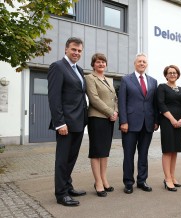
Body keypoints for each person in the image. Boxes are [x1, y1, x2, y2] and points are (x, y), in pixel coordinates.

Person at [48, 37, 88, 206]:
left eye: (79, 51)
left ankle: (68, 186)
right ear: (66, 49)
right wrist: (60, 123)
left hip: (79, 121)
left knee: (71, 158)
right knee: (62, 159)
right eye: (73, 49)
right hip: (66, 123)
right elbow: (54, 97)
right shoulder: (57, 67)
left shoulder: (78, 69)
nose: (76, 53)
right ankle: (61, 193)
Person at [118, 53, 159, 194]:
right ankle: (128, 182)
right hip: (130, 124)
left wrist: (155, 121)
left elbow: (155, 104)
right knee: (129, 154)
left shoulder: (153, 81)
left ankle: (142, 180)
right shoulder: (126, 80)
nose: (142, 63)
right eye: (139, 61)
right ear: (135, 64)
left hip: (147, 124)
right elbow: (122, 102)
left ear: (147, 64)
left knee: (143, 154)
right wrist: (123, 121)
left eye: (144, 62)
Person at [85, 53, 118, 197]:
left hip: (109, 119)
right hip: (96, 118)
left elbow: (115, 98)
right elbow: (94, 99)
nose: (101, 64)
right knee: (97, 151)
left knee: (105, 151)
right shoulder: (89, 78)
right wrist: (110, 112)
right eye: (98, 62)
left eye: (103, 62)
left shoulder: (108, 79)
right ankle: (97, 182)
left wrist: (115, 112)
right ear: (93, 64)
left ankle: (104, 179)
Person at [157, 65, 181, 192]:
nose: (172, 74)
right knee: (168, 150)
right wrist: (172, 119)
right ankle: (167, 178)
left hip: (180, 123)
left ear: (178, 74)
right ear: (166, 75)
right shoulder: (162, 87)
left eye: (174, 73)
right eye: (169, 73)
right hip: (167, 121)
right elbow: (161, 104)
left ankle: (172, 176)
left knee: (175, 150)